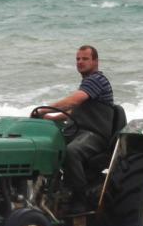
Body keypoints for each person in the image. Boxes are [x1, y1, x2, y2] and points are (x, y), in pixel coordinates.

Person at [33, 45, 116, 198]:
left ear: (96, 61)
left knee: (72, 152)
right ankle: (46, 189)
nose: (80, 62)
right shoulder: (87, 84)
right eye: (78, 59)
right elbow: (76, 111)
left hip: (95, 135)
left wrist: (43, 110)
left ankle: (78, 197)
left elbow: (72, 102)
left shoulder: (97, 80)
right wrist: (52, 119)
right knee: (46, 146)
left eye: (85, 59)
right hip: (78, 131)